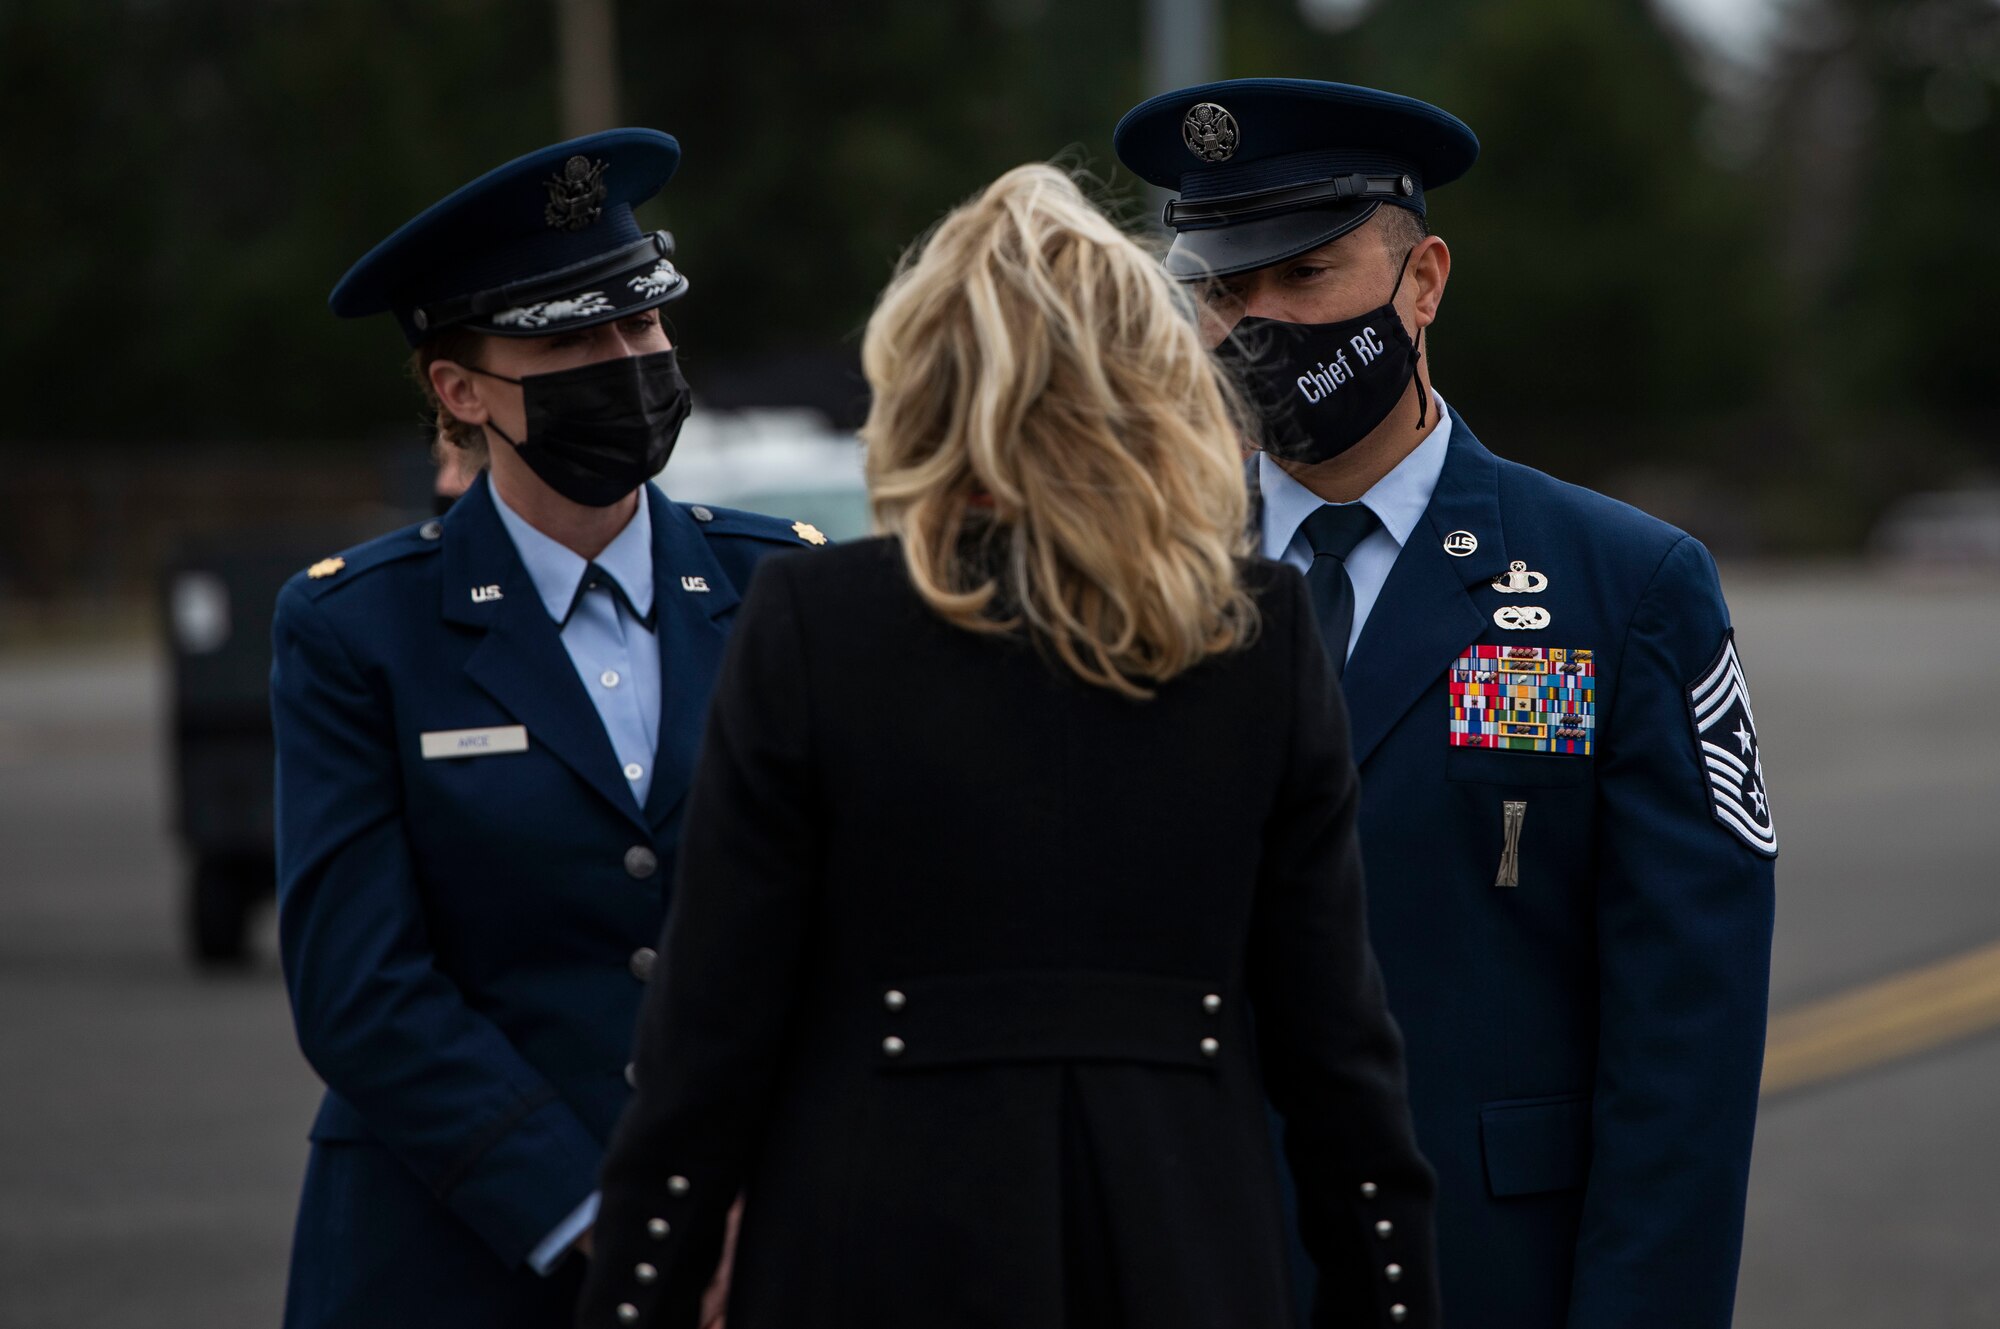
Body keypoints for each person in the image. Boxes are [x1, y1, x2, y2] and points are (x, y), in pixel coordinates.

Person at [575, 164, 1439, 1329]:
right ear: (1151, 386)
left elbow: (705, 1046)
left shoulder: (811, 623)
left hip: (872, 1256)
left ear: (923, 383)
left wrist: (637, 1299)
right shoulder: (1256, 633)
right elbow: (1341, 1069)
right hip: (1179, 1259)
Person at [1114, 79, 1778, 1328]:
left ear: (1420, 281)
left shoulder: (1617, 586)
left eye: (1302, 277)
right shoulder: (1135, 581)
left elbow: (1683, 1036)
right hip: (1193, 1264)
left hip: (1484, 1273)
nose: (1254, 325)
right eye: (1218, 290)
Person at [271, 128, 824, 1329]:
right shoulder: (357, 630)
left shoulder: (787, 594)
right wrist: (592, 1216)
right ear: (457, 391)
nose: (624, 361)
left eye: (641, 324)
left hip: (752, 1247)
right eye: (569, 337)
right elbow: (360, 989)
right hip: (458, 1251)